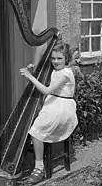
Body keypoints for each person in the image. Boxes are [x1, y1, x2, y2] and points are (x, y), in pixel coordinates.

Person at [20, 42, 78, 184]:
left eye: (59, 59)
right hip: (54, 104)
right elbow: (47, 81)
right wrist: (33, 70)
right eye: (53, 58)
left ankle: (39, 168)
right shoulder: (56, 70)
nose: (55, 62)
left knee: (35, 131)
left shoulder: (65, 73)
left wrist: (30, 76)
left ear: (66, 59)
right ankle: (36, 153)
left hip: (62, 108)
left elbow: (46, 90)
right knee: (34, 123)